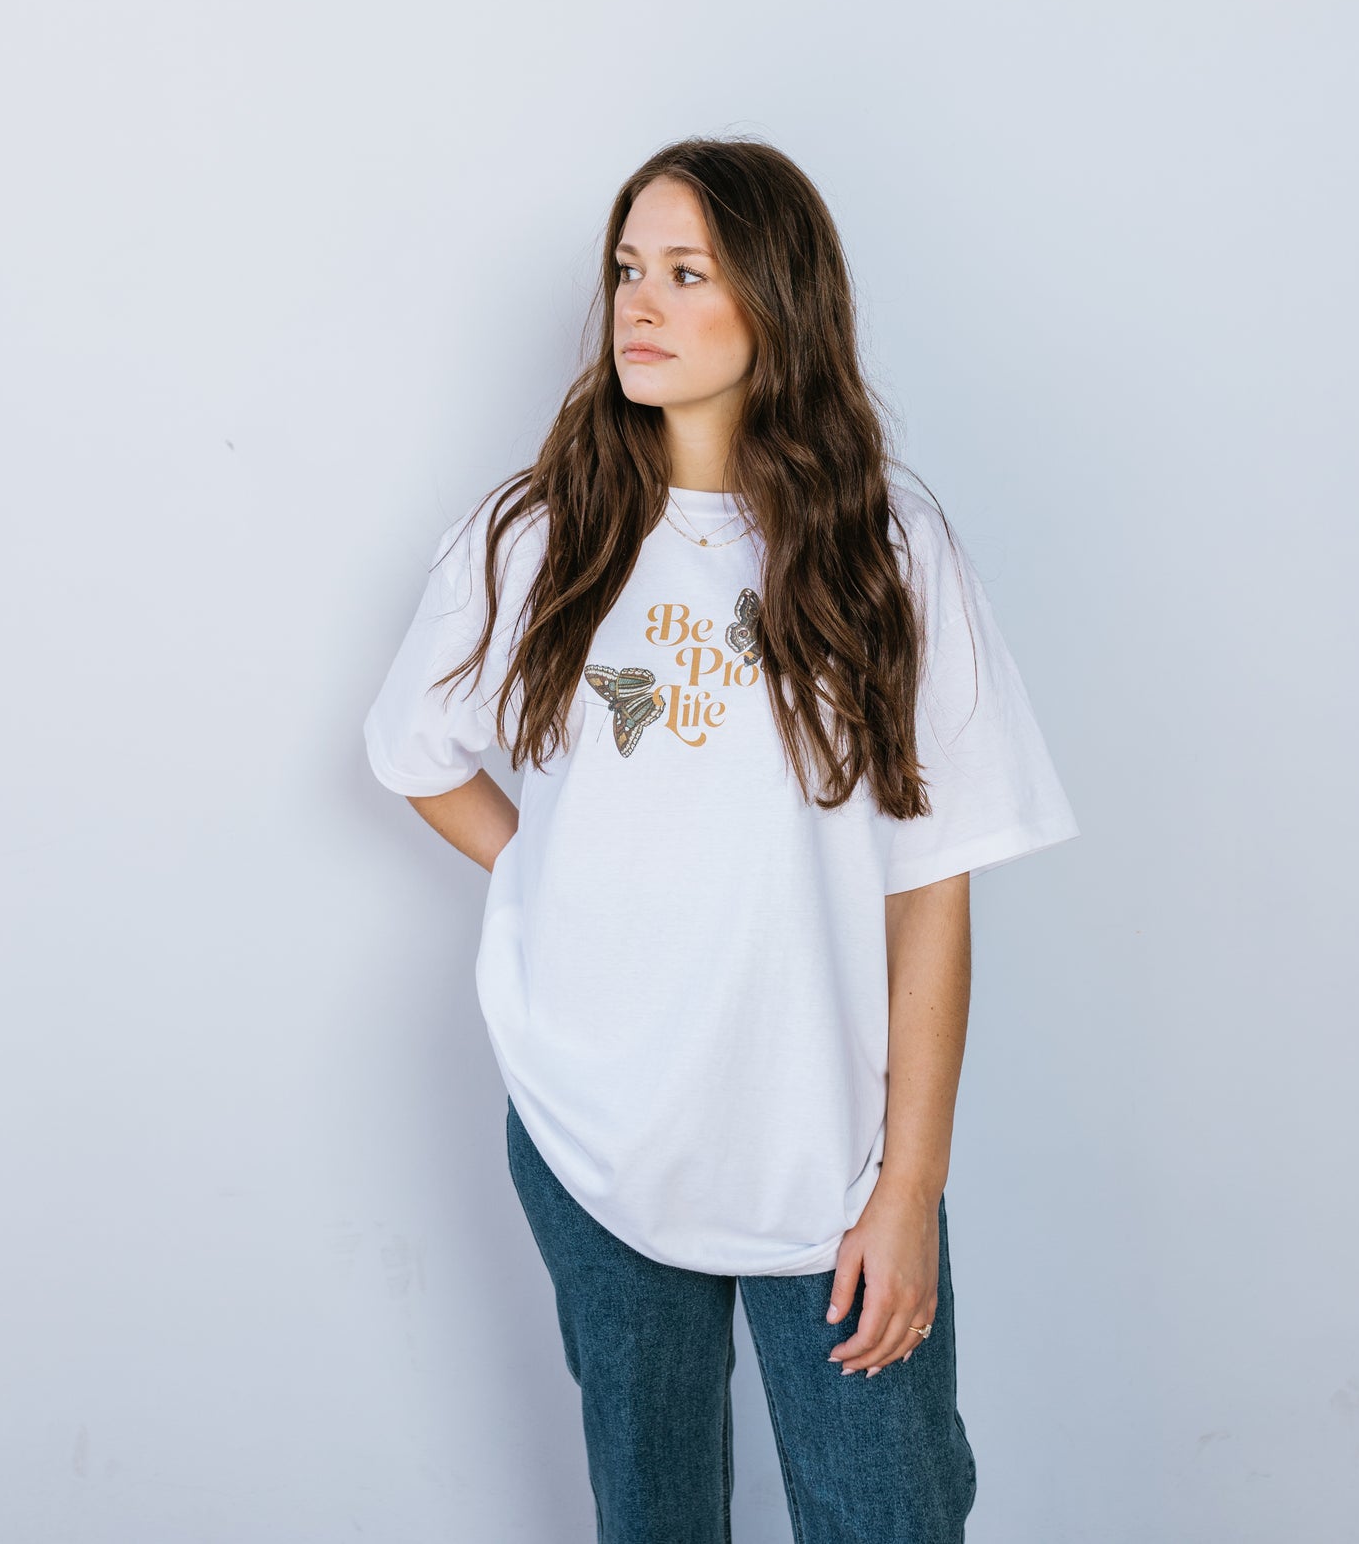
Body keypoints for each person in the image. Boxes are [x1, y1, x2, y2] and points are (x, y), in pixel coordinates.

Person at [362, 135, 1080, 1543]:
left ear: (775, 303)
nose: (641, 302)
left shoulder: (888, 544)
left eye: (687, 273)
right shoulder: (539, 532)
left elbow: (932, 883)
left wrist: (910, 1186)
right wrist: (549, 876)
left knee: (892, 1509)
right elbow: (413, 754)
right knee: (657, 1513)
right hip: (596, 1132)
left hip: (822, 1155)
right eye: (631, 268)